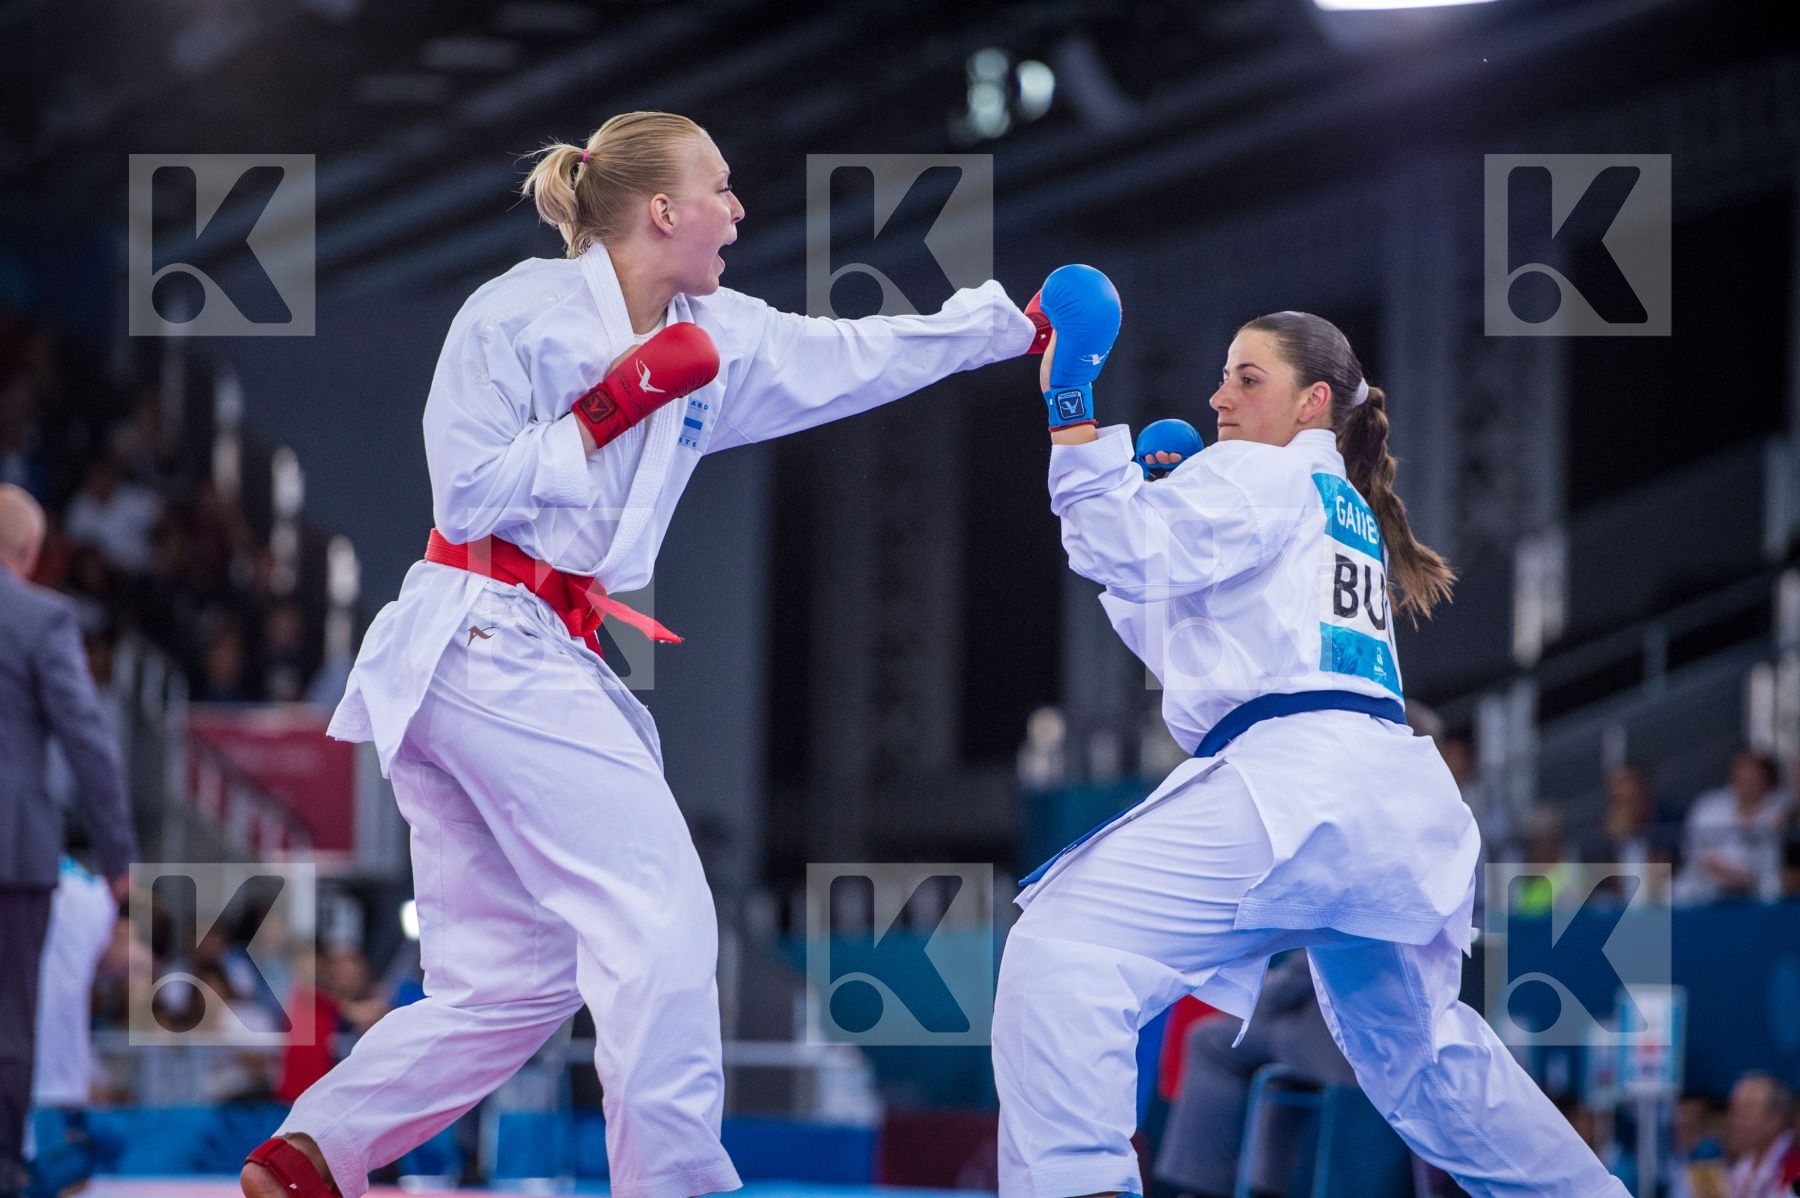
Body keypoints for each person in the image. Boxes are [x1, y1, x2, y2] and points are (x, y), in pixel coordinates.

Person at [241, 110, 1036, 1198]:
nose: (740, 209)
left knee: (508, 981)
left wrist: (999, 328)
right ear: (664, 209)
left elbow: (849, 353)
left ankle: (315, 1151)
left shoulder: (720, 332)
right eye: (722, 186)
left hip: (522, 657)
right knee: (659, 915)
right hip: (479, 629)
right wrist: (611, 408)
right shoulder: (514, 314)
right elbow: (465, 492)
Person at [990, 284, 1627, 1197]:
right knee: (1430, 1068)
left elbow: (1114, 543)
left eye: (1247, 379)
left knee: (1064, 948)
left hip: (1295, 786)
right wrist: (1172, 501)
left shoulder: (1265, 470)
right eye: (1223, 380)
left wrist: (1071, 403)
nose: (1220, 400)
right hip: (1391, 810)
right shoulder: (1341, 506)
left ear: (1312, 402)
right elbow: (1181, 641)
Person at [0, 484, 134, 1198]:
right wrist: (116, 856)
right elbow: (88, 742)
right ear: (28, 552)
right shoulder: (40, 618)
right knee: (9, 1020)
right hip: (13, 849)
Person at [1674, 748, 1791, 904]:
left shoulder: (1782, 805)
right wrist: (1740, 878)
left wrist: (1789, 816)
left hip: (1762, 890)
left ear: (1767, 778)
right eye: (1742, 774)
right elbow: (1697, 856)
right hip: (1706, 889)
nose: (1748, 781)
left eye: (1754, 775)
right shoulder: (1709, 806)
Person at [1723, 1072, 1800, 1198]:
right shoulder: (1734, 1168)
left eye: (1747, 1109)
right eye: (1734, 1109)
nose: (1735, 1119)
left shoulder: (1795, 1173)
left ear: (1776, 1119)